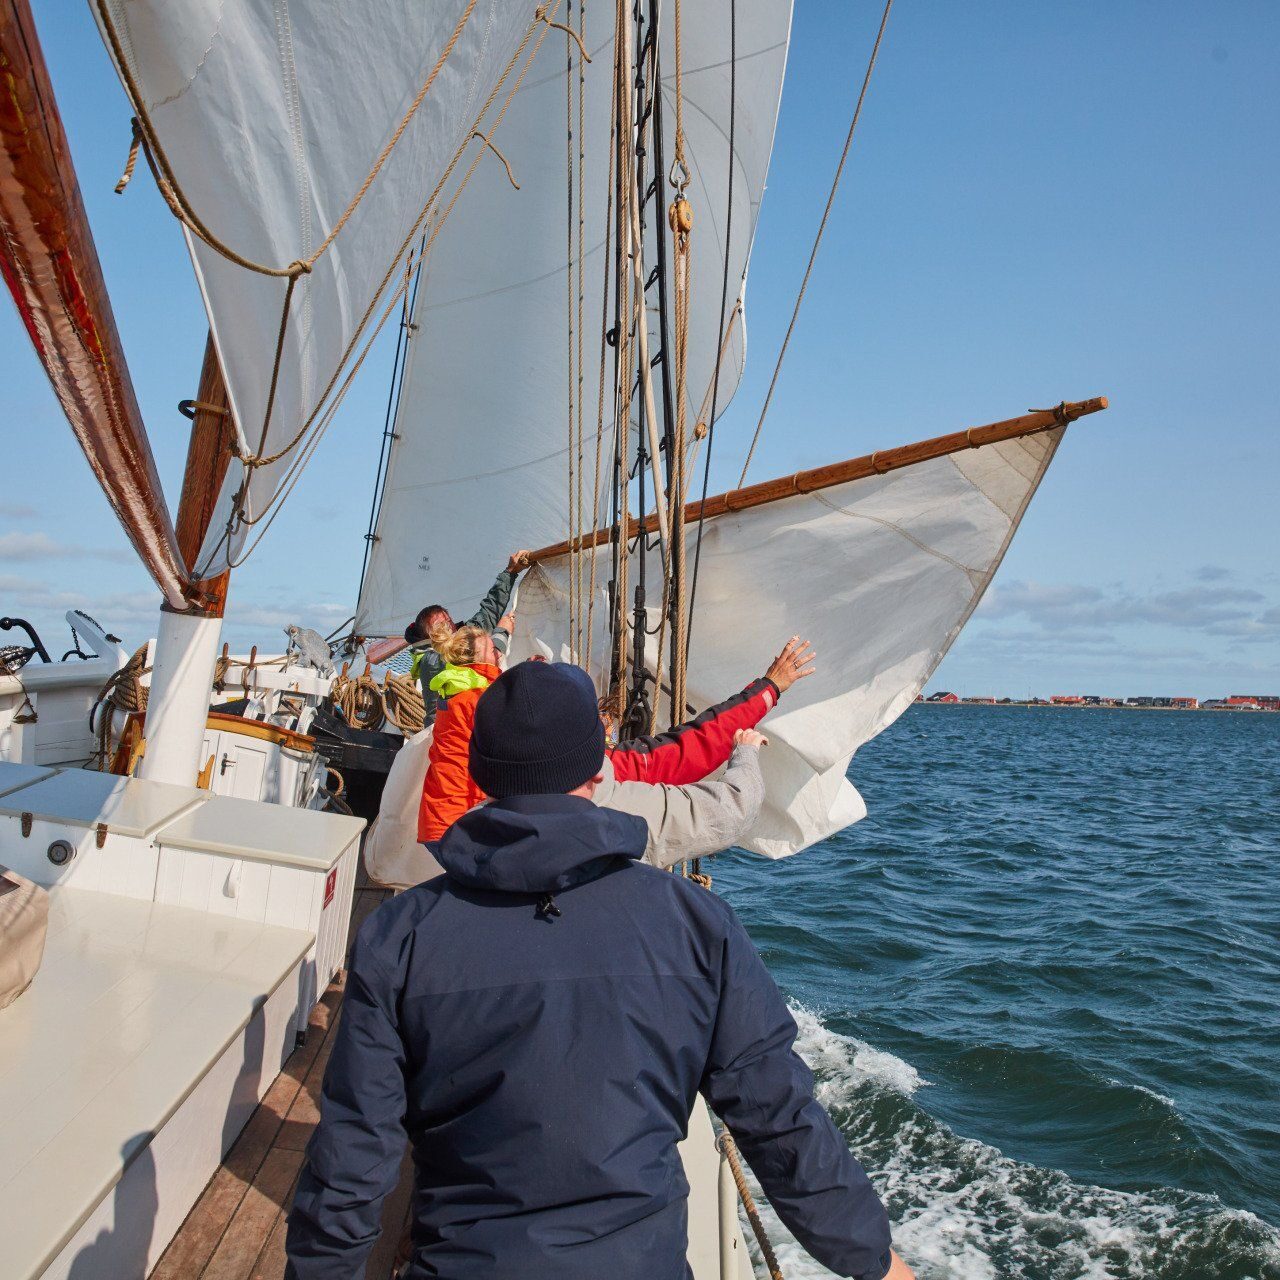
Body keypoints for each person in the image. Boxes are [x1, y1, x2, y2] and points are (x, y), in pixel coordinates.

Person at [286, 661, 913, 1280]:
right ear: (598, 767)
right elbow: (778, 1118)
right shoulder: (696, 924)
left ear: (478, 771)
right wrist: (872, 1260)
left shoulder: (400, 936)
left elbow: (354, 1151)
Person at [405, 549, 531, 718]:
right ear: (428, 637)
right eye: (441, 625)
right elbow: (483, 656)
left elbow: (488, 612)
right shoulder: (431, 661)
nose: (449, 627)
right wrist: (503, 631)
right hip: (449, 728)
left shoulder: (461, 639)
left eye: (449, 621)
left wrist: (510, 573)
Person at [416, 623, 502, 845]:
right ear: (477, 659)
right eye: (493, 650)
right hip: (460, 819)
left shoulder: (454, 690)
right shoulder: (478, 698)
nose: (499, 654)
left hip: (438, 817)